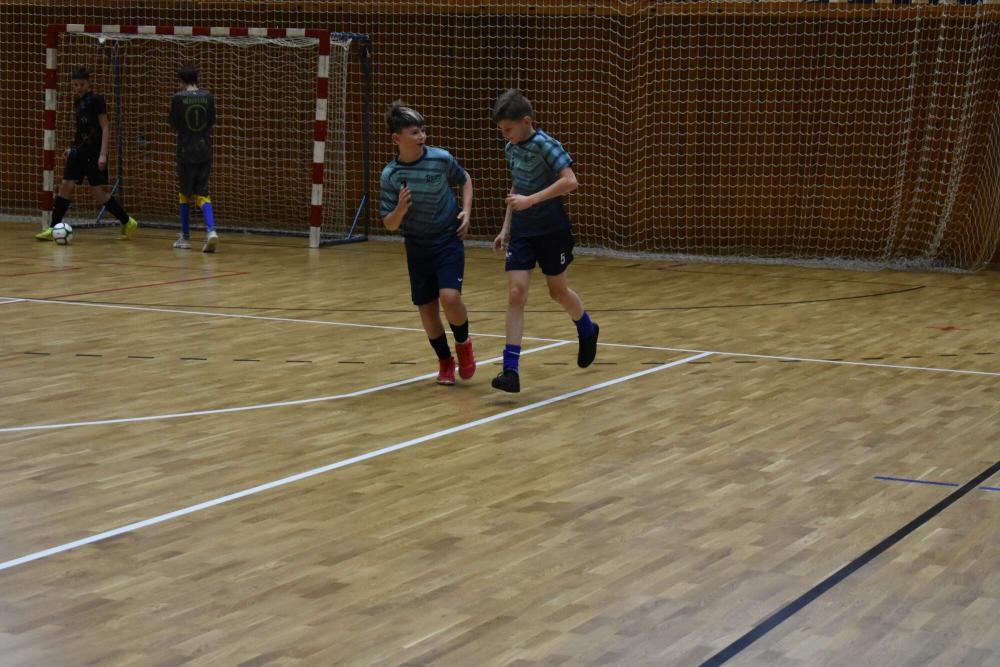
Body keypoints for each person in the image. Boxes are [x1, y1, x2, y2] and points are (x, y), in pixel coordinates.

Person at [490, 89, 598, 393]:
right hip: (523, 230)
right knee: (516, 293)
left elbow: (570, 181)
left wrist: (532, 200)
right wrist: (506, 227)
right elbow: (517, 186)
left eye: (508, 129)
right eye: (502, 131)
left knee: (557, 291)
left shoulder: (547, 145)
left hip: (551, 230)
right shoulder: (511, 148)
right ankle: (510, 371)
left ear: (526, 121)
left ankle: (587, 328)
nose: (506, 136)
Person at [379, 102, 476, 385]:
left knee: (450, 297)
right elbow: (389, 223)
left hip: (447, 239)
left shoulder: (440, 159)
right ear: (397, 138)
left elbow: (465, 180)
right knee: (427, 308)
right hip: (417, 247)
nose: (421, 136)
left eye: (422, 130)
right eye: (414, 132)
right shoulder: (390, 175)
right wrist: (400, 209)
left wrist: (466, 211)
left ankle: (464, 346)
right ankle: (445, 361)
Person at [36, 66, 138, 242]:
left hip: (94, 152)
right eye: (75, 85)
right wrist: (72, 148)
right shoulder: (77, 103)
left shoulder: (97, 99)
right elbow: (81, 131)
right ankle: (52, 228)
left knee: (97, 192)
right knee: (66, 186)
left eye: (81, 84)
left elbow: (105, 127)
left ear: (88, 83)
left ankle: (127, 221)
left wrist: (103, 154)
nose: (78, 88)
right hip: (78, 152)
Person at [169, 64, 218, 252]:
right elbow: (211, 121)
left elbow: (174, 124)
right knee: (203, 192)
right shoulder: (208, 97)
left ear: (182, 81)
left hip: (186, 151)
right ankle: (211, 231)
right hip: (205, 150)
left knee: (185, 193)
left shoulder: (178, 98)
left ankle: (186, 237)